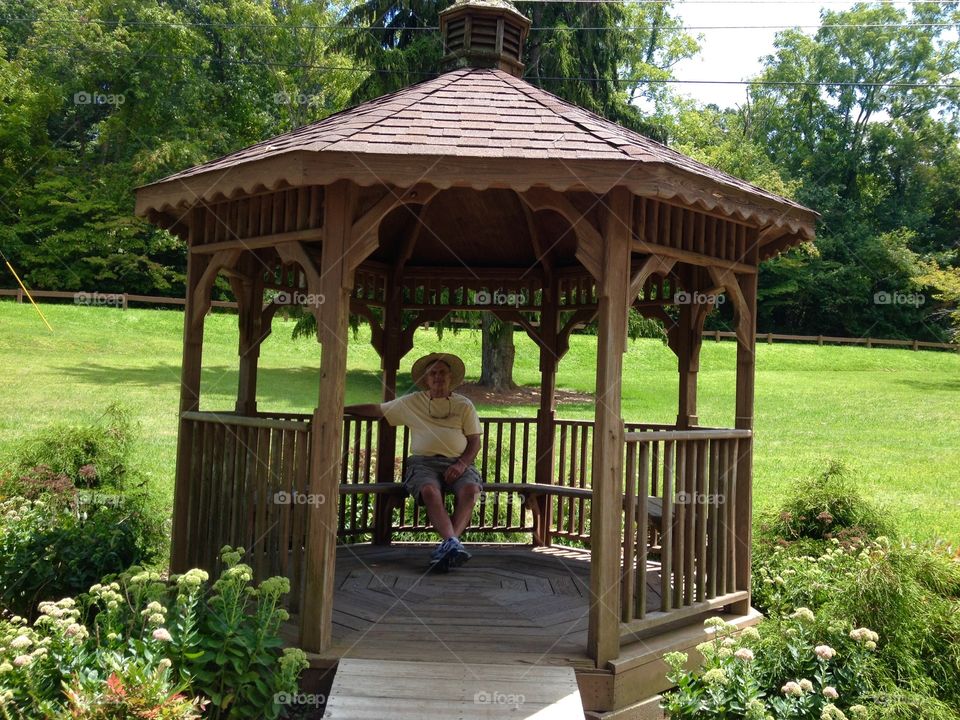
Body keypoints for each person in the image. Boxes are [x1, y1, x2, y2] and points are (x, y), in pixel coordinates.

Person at [345, 352, 482, 571]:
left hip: (459, 463)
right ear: (426, 380)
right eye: (433, 374)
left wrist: (462, 464)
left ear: (450, 377)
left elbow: (475, 442)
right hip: (423, 464)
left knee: (472, 490)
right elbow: (377, 410)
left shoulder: (464, 405)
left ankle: (449, 545)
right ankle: (452, 545)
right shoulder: (412, 402)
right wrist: (341, 409)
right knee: (429, 490)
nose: (438, 377)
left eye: (442, 373)